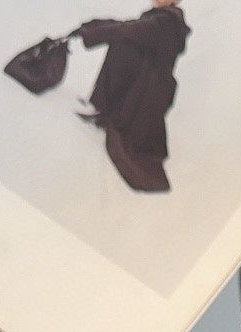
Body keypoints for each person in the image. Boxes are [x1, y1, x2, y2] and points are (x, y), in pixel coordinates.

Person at [76, 0, 190, 193]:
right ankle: (108, 108)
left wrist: (95, 33)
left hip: (147, 94)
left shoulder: (167, 22)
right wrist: (94, 26)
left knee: (123, 42)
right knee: (123, 41)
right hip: (147, 89)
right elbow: (129, 26)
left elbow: (130, 30)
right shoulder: (162, 19)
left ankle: (110, 110)